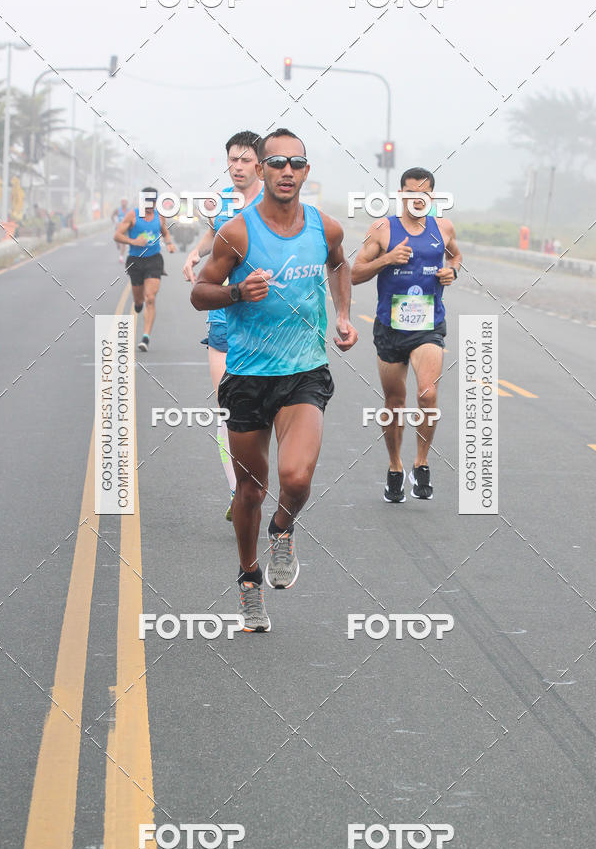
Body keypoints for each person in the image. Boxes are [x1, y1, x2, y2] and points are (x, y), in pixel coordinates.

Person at [191, 128, 358, 632]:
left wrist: (344, 315)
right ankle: (248, 578)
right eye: (277, 162)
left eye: (297, 163)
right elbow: (201, 291)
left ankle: (283, 529)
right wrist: (238, 293)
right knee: (250, 491)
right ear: (261, 170)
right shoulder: (238, 232)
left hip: (304, 372)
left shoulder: (324, 228)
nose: (287, 171)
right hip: (247, 376)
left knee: (297, 479)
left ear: (306, 172)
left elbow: (340, 266)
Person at [352, 167, 462, 502]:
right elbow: (355, 273)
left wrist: (452, 270)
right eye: (411, 191)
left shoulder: (442, 227)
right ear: (400, 194)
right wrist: (387, 259)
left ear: (432, 196)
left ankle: (422, 463)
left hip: (429, 326)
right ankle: (396, 466)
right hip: (390, 327)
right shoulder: (383, 228)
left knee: (427, 395)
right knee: (395, 403)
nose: (417, 197)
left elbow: (456, 253)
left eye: (424, 192)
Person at [183, 131, 264, 521]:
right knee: (227, 410)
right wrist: (196, 254)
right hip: (223, 318)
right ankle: (239, 490)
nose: (237, 166)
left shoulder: (275, 203)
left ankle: (257, 480)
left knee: (264, 414)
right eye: (232, 159)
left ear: (261, 164)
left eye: (245, 160)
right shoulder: (223, 202)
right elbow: (215, 231)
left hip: (266, 323)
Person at [113, 187, 176, 351]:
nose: (148, 206)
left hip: (154, 260)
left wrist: (169, 244)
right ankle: (138, 304)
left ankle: (145, 337)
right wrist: (134, 242)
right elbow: (117, 235)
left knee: (150, 298)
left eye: (152, 202)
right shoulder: (132, 215)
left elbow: (165, 232)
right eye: (145, 202)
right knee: (139, 300)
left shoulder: (159, 216)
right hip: (135, 261)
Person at [112, 197, 130, 262]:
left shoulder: (129, 211)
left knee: (124, 243)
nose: (123, 203)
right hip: (118, 227)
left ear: (127, 203)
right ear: (121, 202)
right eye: (122, 201)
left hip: (125, 228)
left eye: (125, 202)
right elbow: (112, 216)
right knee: (117, 239)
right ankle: (117, 244)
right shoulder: (117, 210)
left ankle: (121, 257)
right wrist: (115, 222)